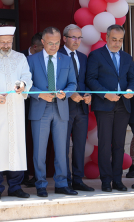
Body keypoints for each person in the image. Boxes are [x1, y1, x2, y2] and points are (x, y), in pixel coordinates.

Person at [0, 26, 32, 200]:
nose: (6, 45)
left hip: (16, 108)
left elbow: (27, 76)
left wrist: (23, 84)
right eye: (2, 42)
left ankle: (15, 186)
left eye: (9, 42)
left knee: (16, 146)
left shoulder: (20, 57)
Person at [28, 26, 77, 197]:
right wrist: (39, 93)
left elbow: (73, 84)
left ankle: (61, 183)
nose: (54, 46)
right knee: (39, 150)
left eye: (57, 43)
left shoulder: (66, 60)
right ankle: (40, 184)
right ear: (42, 42)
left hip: (61, 108)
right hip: (40, 108)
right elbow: (25, 84)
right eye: (50, 43)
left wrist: (66, 93)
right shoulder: (31, 60)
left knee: (62, 149)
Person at [86, 24, 134, 192]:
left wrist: (129, 90)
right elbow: (91, 79)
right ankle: (106, 181)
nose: (117, 43)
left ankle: (117, 180)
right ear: (106, 38)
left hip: (123, 105)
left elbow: (132, 79)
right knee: (105, 144)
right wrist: (106, 94)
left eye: (120, 40)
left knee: (119, 144)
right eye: (114, 39)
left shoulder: (127, 57)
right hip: (104, 105)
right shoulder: (96, 55)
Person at [58, 24, 94, 192]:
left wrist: (88, 95)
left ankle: (78, 180)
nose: (77, 41)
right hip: (63, 107)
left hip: (82, 109)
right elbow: (56, 82)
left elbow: (85, 80)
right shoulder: (57, 56)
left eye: (79, 38)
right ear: (64, 38)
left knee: (79, 146)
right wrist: (69, 93)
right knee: (63, 146)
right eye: (73, 37)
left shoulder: (83, 57)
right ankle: (64, 181)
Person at [21, 32, 43, 187]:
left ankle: (37, 175)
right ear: (35, 47)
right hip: (21, 105)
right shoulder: (20, 58)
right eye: (44, 47)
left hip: (39, 105)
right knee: (21, 140)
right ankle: (21, 176)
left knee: (37, 141)